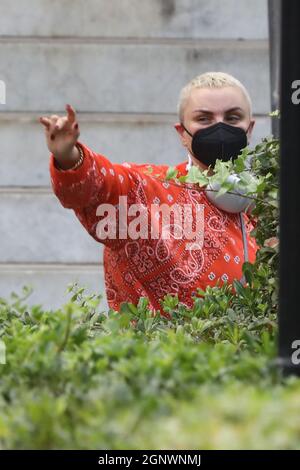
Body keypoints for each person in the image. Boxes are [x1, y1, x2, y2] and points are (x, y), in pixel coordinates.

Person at [39, 71, 258, 314]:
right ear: (182, 133)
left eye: (232, 117)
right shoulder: (150, 191)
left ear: (249, 129)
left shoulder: (267, 204)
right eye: (204, 119)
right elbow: (103, 186)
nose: (219, 127)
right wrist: (68, 157)